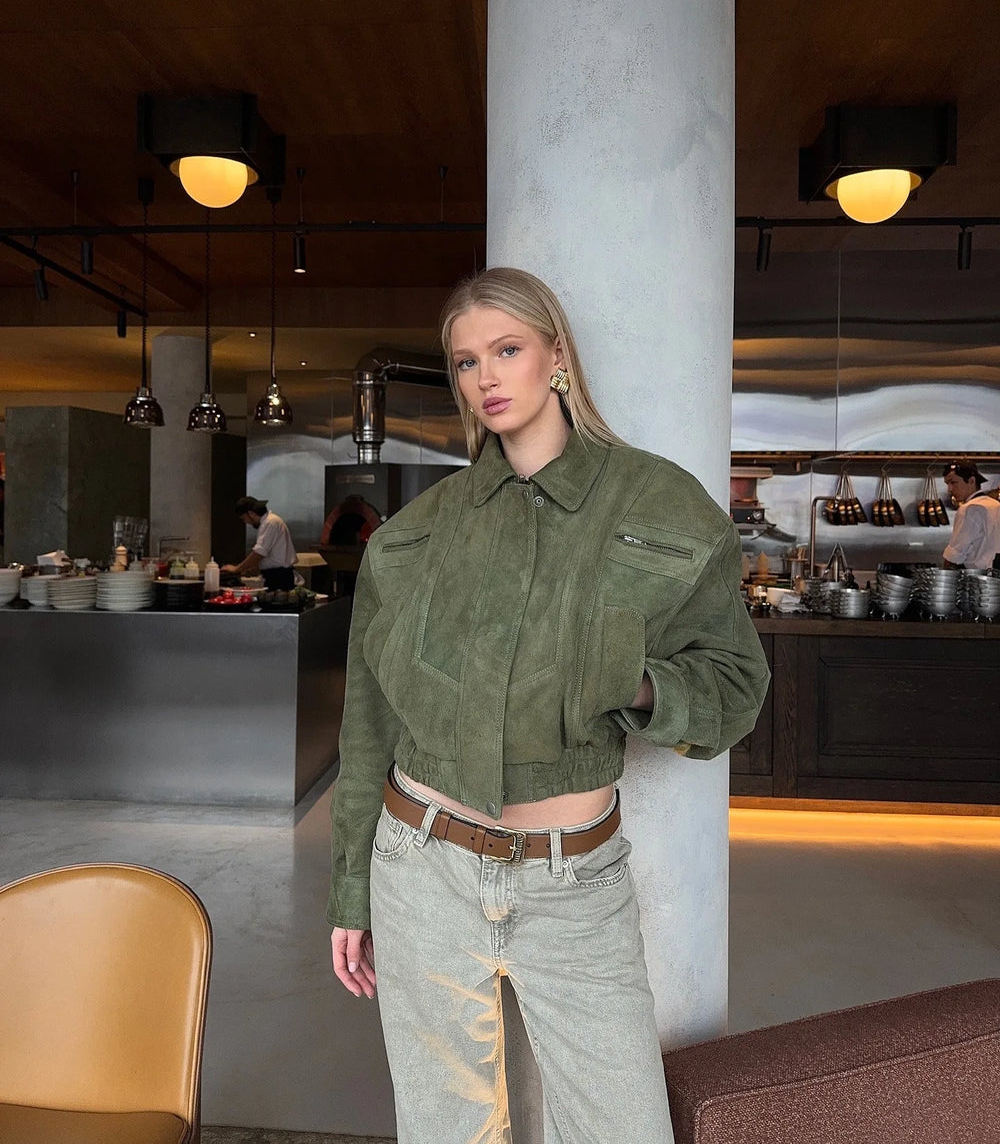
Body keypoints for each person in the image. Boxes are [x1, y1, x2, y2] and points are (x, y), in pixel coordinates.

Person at [327, 268, 770, 1143]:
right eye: (464, 362)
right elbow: (368, 723)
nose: (485, 378)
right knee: (447, 1130)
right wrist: (350, 887)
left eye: (507, 350)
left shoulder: (659, 504)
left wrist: (639, 683)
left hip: (576, 881)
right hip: (421, 867)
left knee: (622, 1129)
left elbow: (735, 685)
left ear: (556, 357)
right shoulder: (417, 536)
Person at [224, 496, 296, 590]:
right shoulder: (268, 522)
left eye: (244, 518)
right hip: (276, 575)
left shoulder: (270, 522)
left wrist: (237, 569)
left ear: (251, 513)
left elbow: (259, 553)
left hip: (279, 577)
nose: (246, 522)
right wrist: (249, 569)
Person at [942, 461, 1000, 569]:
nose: (949, 489)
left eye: (953, 482)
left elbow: (955, 553)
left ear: (971, 481)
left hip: (977, 579)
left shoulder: (970, 508)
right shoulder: (995, 504)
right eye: (947, 484)